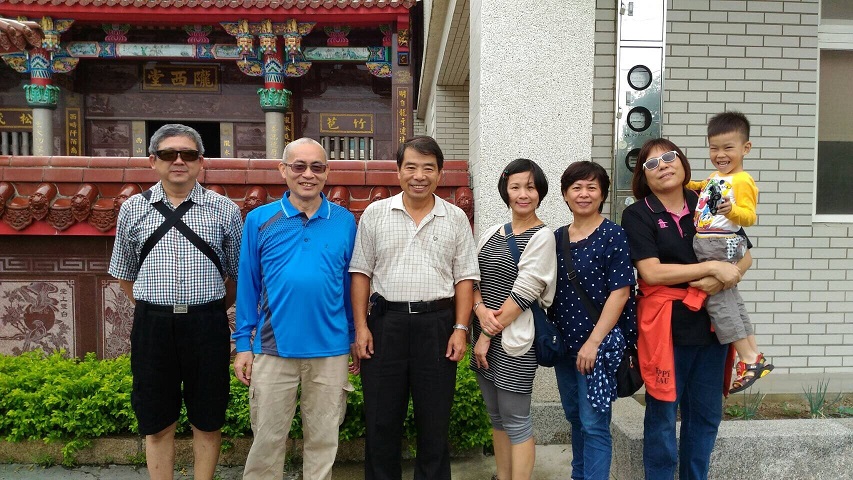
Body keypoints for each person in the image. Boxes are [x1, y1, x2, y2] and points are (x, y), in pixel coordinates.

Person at [109, 124, 242, 480]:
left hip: (207, 324)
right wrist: (156, 309)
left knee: (208, 418)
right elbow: (125, 273)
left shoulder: (224, 210)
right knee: (156, 420)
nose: (179, 161)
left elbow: (237, 274)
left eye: (188, 154)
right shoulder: (133, 209)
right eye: (169, 154)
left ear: (201, 161)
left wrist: (208, 310)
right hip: (153, 326)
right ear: (153, 161)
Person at [621, 138, 753, 480]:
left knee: (706, 416)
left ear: (682, 163)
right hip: (666, 329)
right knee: (663, 416)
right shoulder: (638, 214)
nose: (663, 166)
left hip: (713, 327)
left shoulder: (709, 198)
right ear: (643, 176)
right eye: (652, 164)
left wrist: (726, 278)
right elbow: (651, 272)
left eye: (669, 157)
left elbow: (744, 254)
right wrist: (710, 269)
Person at [350, 135, 480, 480]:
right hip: (385, 325)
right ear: (398, 171)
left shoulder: (455, 217)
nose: (419, 176)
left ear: (440, 174)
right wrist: (361, 327)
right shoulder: (376, 213)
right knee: (381, 422)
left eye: (428, 168)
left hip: (437, 326)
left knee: (434, 423)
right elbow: (361, 273)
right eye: (411, 167)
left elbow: (465, 278)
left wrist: (461, 328)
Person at [233, 138, 358, 480]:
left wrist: (353, 337)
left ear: (327, 172)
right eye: (299, 166)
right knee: (267, 440)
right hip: (274, 347)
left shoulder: (344, 221)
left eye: (317, 167)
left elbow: (349, 285)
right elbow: (248, 284)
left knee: (323, 440)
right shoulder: (260, 219)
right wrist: (242, 344)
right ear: (283, 170)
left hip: (330, 349)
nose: (308, 174)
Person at [549, 161, 636, 480]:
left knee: (595, 425)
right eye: (576, 187)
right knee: (575, 419)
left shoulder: (614, 235)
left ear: (602, 194)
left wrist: (593, 343)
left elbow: (620, 293)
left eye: (591, 187)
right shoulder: (557, 238)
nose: (584, 194)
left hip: (597, 349)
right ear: (565, 194)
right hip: (564, 348)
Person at [470, 158, 556, 480]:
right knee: (497, 418)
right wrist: (479, 309)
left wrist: (485, 335)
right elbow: (472, 278)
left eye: (530, 187)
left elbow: (524, 293)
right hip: (484, 337)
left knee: (517, 420)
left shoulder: (542, 236)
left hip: (514, 341)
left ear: (540, 192)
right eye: (515, 187)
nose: (523, 194)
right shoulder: (492, 232)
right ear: (505, 191)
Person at [686, 111, 772, 393]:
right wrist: (685, 182)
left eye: (728, 148)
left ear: (746, 148)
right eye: (714, 148)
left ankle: (746, 359)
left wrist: (732, 210)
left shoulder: (743, 180)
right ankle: (755, 354)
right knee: (731, 299)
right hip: (714, 241)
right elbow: (701, 187)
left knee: (719, 304)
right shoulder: (717, 176)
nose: (720, 155)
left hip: (720, 243)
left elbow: (750, 217)